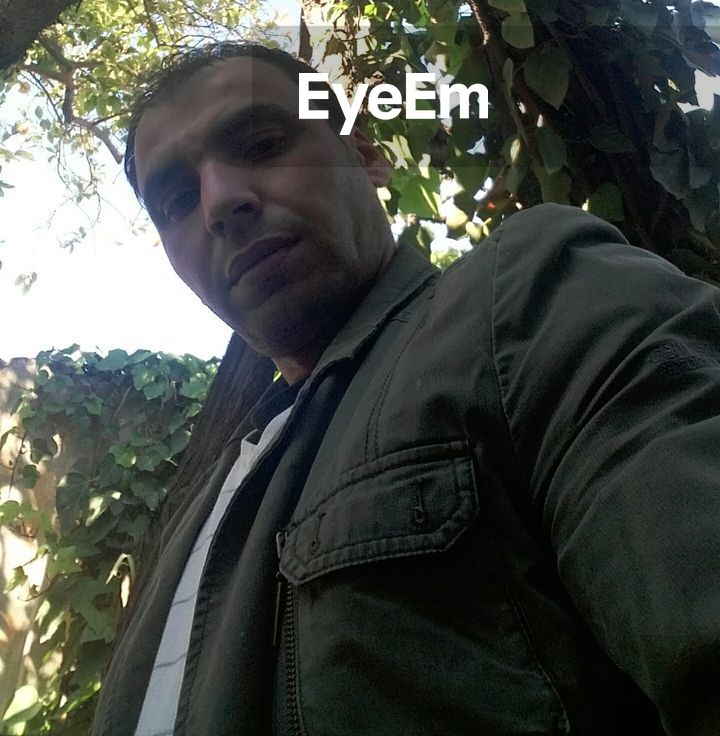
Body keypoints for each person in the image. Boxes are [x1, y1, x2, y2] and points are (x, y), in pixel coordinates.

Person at [91, 41, 720, 736]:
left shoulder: (521, 299)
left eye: (264, 143)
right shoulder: (212, 493)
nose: (219, 204)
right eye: (177, 200)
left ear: (366, 155)